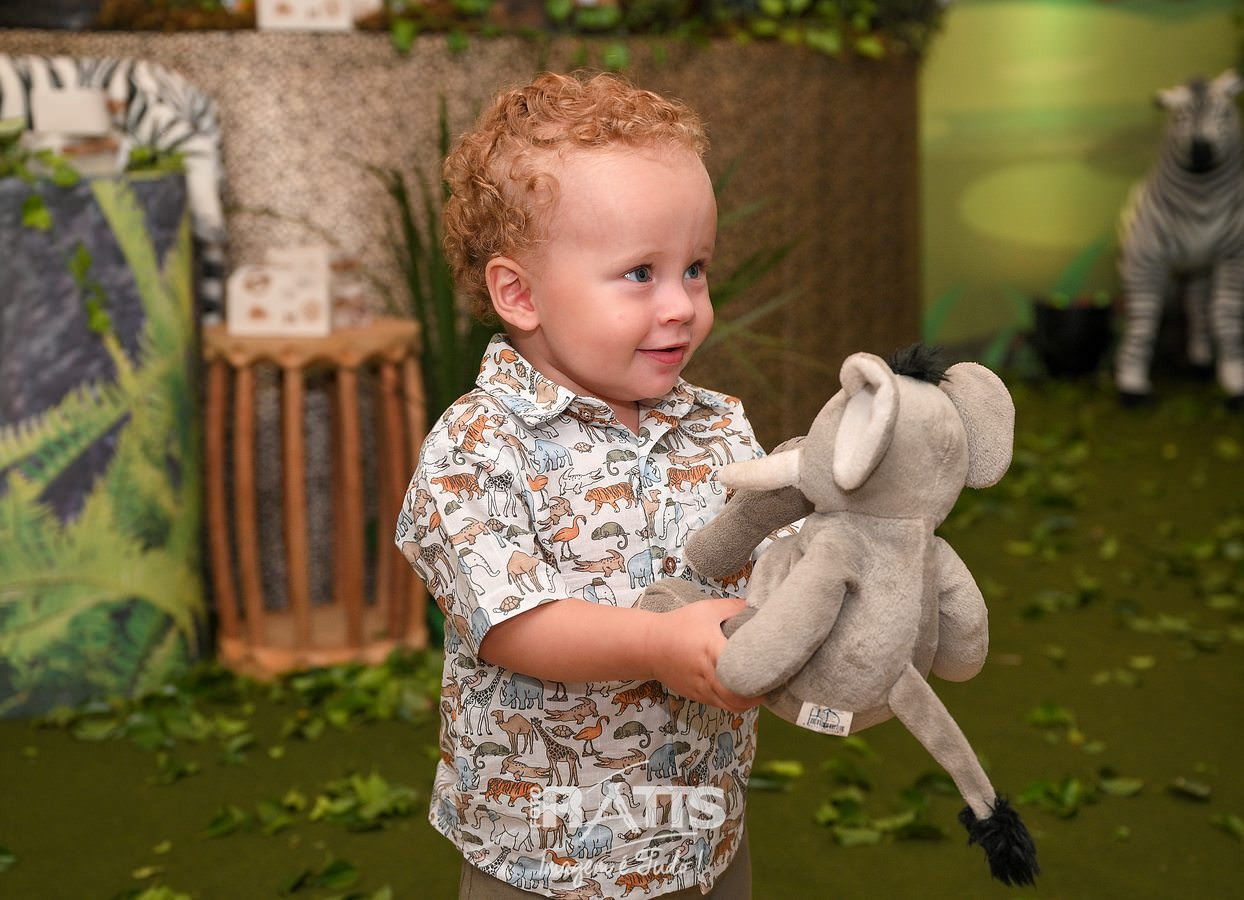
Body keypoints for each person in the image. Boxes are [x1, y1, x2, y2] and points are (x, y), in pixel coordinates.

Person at [396, 70, 770, 899]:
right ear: (519, 293)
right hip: (542, 855)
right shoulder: (476, 446)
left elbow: (774, 555)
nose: (681, 305)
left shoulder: (718, 427)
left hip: (701, 835)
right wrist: (659, 646)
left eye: (695, 269)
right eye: (640, 273)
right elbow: (511, 625)